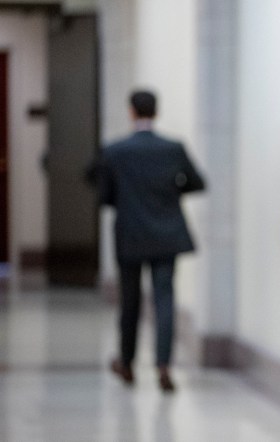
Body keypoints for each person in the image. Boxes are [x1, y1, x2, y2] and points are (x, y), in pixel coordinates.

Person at [99, 90, 205, 392]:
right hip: (166, 233)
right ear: (155, 112)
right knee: (164, 299)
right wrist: (171, 192)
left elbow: (105, 196)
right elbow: (197, 182)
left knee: (130, 301)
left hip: (130, 234)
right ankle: (164, 366)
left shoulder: (115, 150)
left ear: (132, 112)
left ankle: (127, 362)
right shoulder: (172, 148)